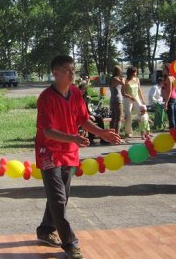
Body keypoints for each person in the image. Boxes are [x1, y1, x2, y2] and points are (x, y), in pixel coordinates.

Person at [35, 55, 120, 259]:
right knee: (58, 198)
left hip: (69, 151)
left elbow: (83, 119)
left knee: (61, 196)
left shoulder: (75, 93)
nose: (72, 73)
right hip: (49, 152)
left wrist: (102, 133)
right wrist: (73, 137)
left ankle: (46, 229)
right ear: (55, 72)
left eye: (73, 69)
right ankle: (70, 243)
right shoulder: (46, 98)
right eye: (66, 69)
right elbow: (47, 131)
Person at [122, 66, 146, 138]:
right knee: (128, 115)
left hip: (136, 98)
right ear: (130, 73)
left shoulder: (137, 79)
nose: (136, 73)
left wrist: (142, 100)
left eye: (136, 72)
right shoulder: (125, 80)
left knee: (141, 114)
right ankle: (128, 132)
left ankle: (143, 130)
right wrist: (130, 97)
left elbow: (139, 90)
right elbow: (123, 93)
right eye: (135, 72)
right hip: (128, 99)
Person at [162, 63, 176, 129]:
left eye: (164, 69)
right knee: (175, 117)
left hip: (170, 99)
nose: (163, 70)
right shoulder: (173, 77)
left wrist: (166, 102)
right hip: (175, 98)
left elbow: (169, 91)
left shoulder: (169, 78)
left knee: (171, 118)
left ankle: (173, 133)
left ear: (167, 69)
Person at [109, 65, 124, 135]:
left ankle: (111, 134)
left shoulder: (112, 78)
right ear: (119, 71)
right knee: (118, 119)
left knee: (113, 118)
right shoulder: (115, 79)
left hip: (113, 100)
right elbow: (123, 84)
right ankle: (117, 135)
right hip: (117, 101)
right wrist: (123, 79)